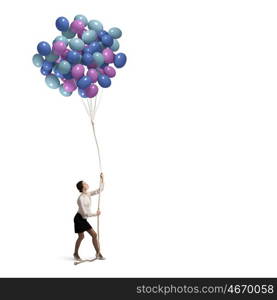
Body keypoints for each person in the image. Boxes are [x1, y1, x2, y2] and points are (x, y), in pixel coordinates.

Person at [73, 173, 105, 260]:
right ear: (82, 187)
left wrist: (102, 179)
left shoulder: (88, 194)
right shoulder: (80, 199)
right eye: (85, 183)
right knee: (81, 237)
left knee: (94, 235)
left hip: (83, 219)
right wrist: (96, 214)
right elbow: (84, 213)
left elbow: (100, 190)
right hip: (79, 219)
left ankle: (98, 253)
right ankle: (75, 253)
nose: (87, 184)